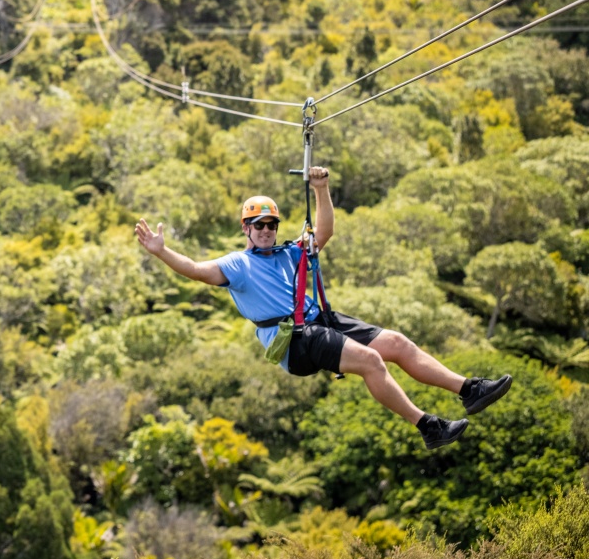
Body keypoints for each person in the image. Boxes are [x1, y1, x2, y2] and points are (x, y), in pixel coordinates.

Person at [134, 165, 511, 450]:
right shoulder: (238, 264)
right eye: (258, 225)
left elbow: (324, 232)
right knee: (371, 362)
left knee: (396, 343)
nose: (266, 230)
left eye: (271, 224)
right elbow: (198, 271)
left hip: (318, 321)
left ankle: (468, 389)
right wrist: (162, 251)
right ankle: (428, 426)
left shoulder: (289, 253)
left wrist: (322, 189)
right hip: (295, 340)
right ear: (245, 228)